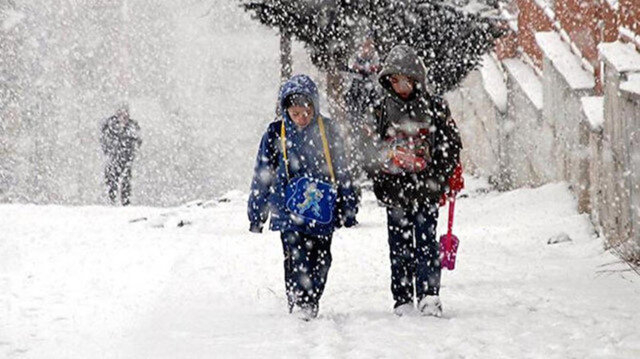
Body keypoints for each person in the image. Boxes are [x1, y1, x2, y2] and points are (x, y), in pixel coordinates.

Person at [248, 74, 357, 321]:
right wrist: (257, 212)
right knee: (294, 256)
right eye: (295, 113)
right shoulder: (276, 133)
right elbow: (262, 173)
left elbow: (342, 169)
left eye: (306, 112)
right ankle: (298, 300)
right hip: (287, 209)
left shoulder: (328, 131)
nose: (301, 118)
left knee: (321, 258)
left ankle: (312, 298)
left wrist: (348, 206)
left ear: (314, 107)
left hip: (322, 209)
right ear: (286, 110)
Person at [366, 45, 462, 317]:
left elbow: (450, 144)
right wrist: (382, 172)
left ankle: (430, 295)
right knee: (399, 245)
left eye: (405, 80)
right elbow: (368, 148)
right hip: (395, 190)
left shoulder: (435, 107)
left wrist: (439, 175)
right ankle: (403, 297)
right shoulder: (381, 109)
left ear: (417, 79)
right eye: (394, 81)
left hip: (427, 188)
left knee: (426, 242)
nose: (400, 86)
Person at [100, 103, 142, 206]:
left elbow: (138, 140)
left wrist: (132, 152)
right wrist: (110, 150)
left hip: (127, 158)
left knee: (126, 181)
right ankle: (111, 201)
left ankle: (125, 202)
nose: (123, 116)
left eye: (125, 113)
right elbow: (104, 140)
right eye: (121, 113)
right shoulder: (110, 125)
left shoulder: (132, 126)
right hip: (114, 157)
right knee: (111, 179)